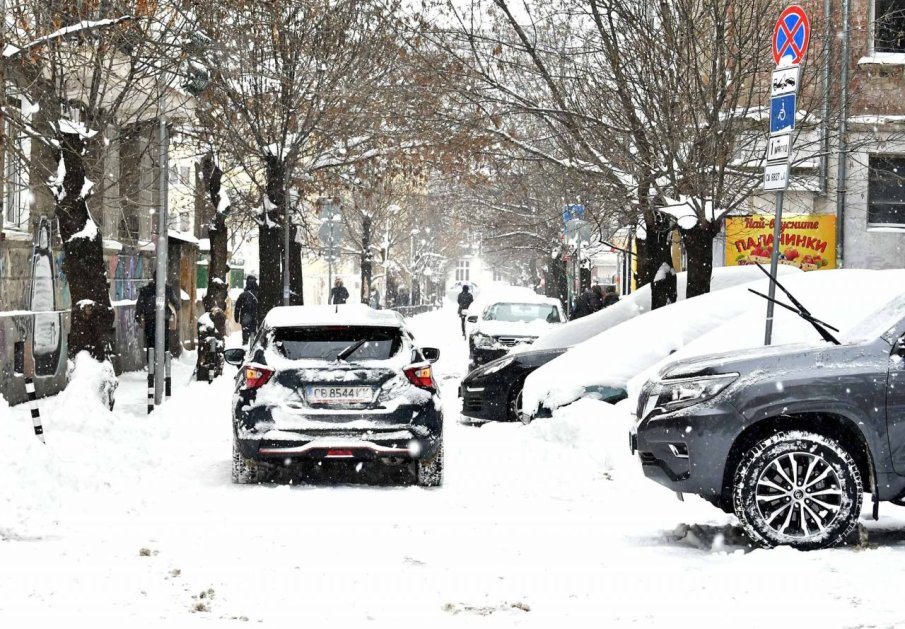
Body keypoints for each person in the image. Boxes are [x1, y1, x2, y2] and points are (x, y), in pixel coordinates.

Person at [234, 275, 259, 344]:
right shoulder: (258, 294)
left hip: (245, 318)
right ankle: (253, 347)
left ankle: (245, 346)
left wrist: (236, 317)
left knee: (245, 336)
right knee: (254, 335)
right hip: (255, 318)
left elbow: (237, 307)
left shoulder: (243, 295)